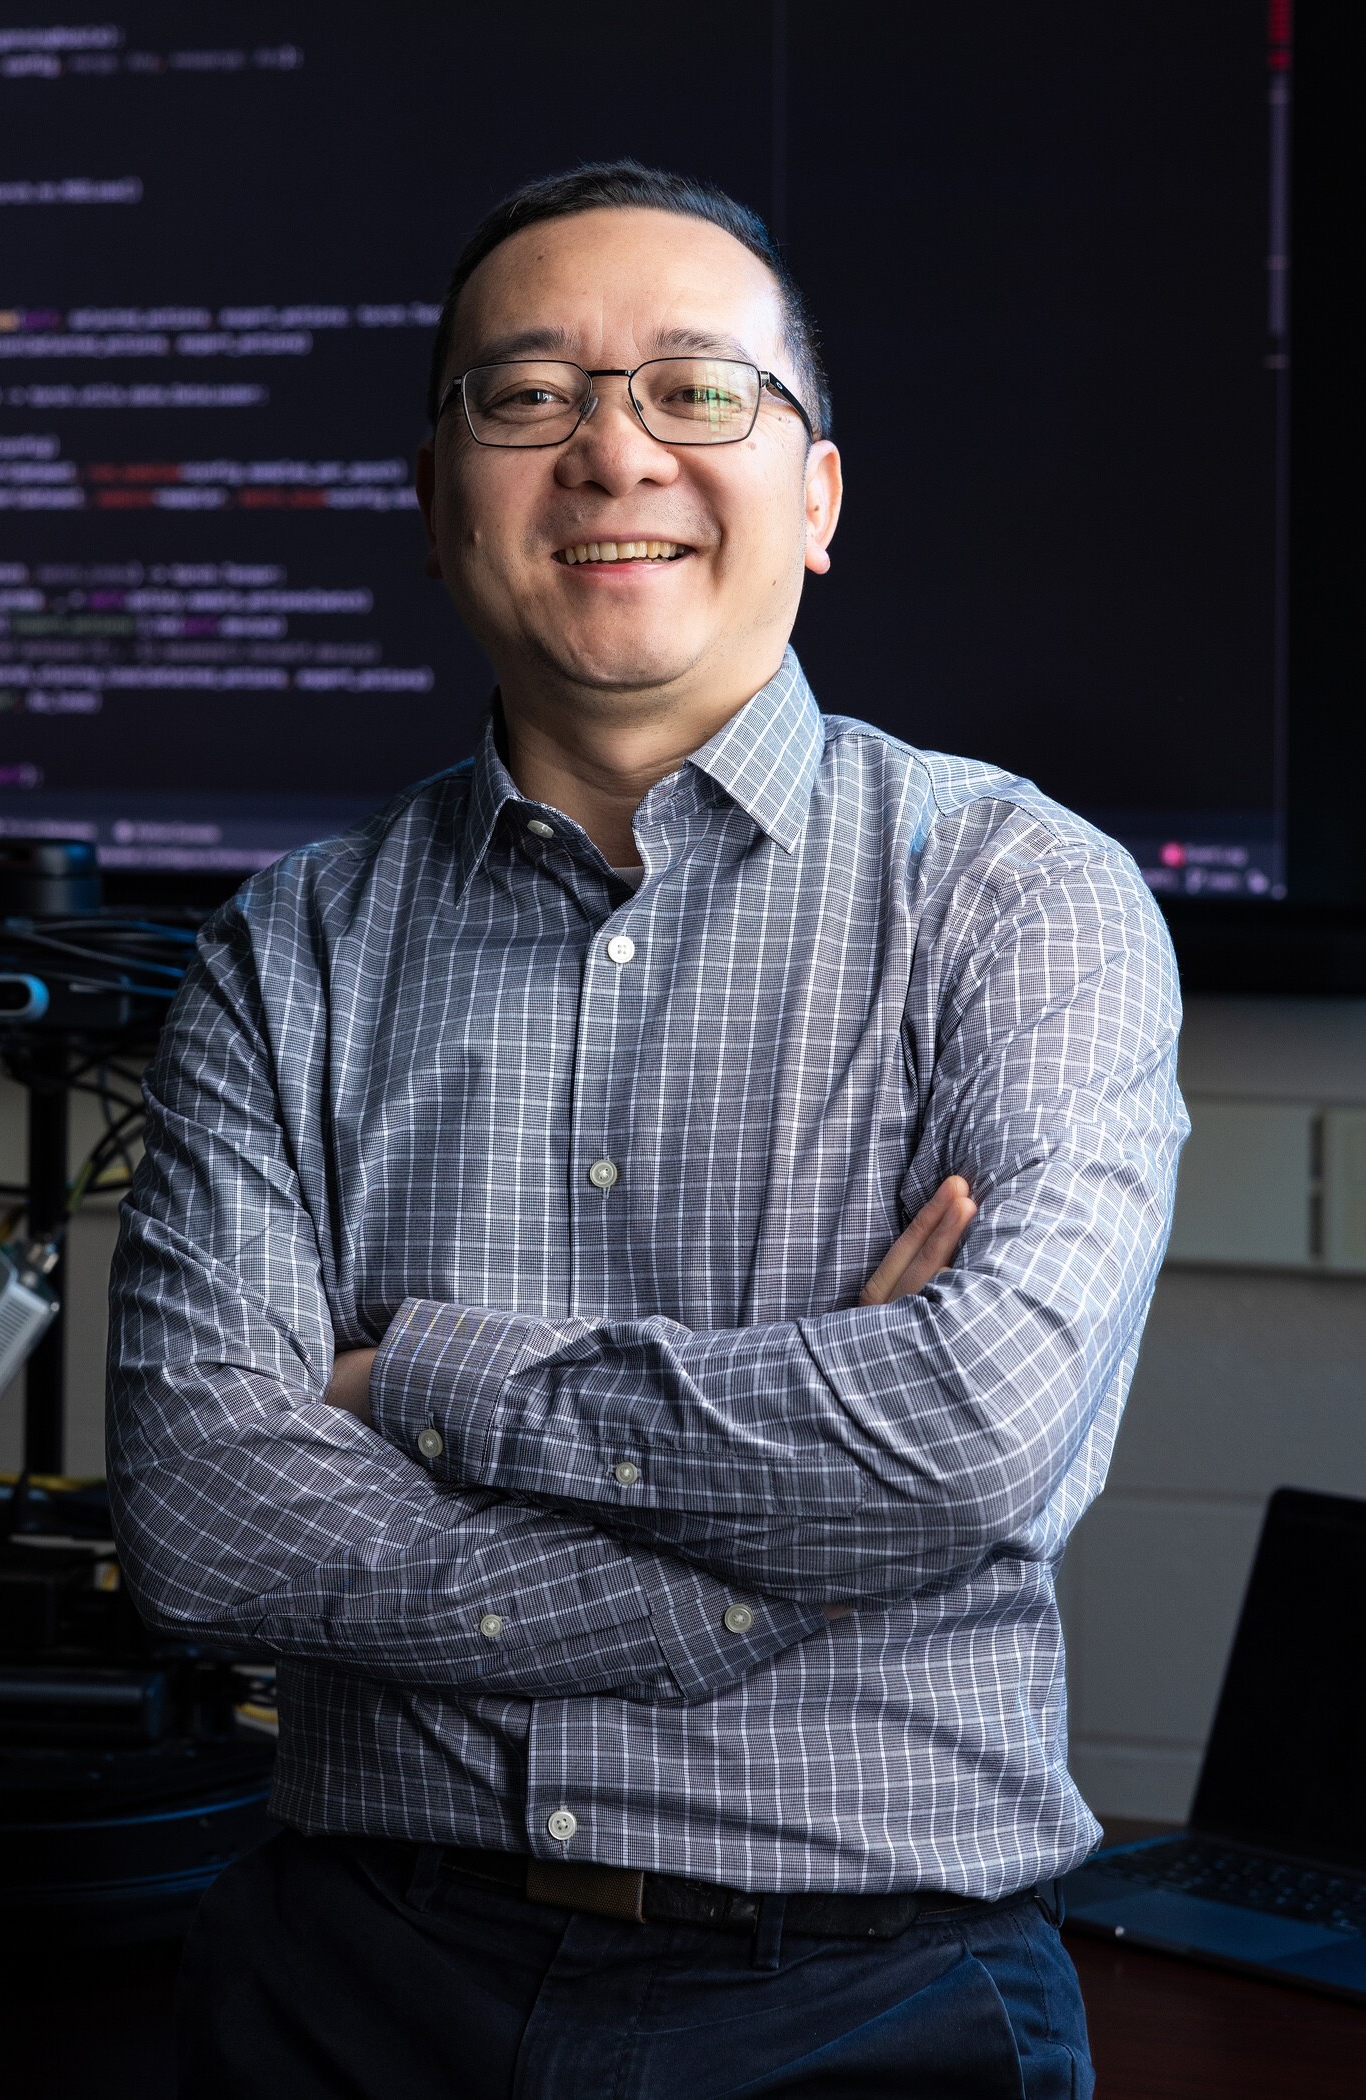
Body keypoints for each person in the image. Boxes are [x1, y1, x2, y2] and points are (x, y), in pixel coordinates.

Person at [108, 161, 1187, 2097]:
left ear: (817, 498)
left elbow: (964, 1441)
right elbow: (203, 1517)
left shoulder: (1016, 895)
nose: (610, 453)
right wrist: (764, 1567)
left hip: (871, 2008)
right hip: (337, 1992)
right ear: (437, 504)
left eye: (693, 391)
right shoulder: (287, 949)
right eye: (523, 398)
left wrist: (412, 1380)